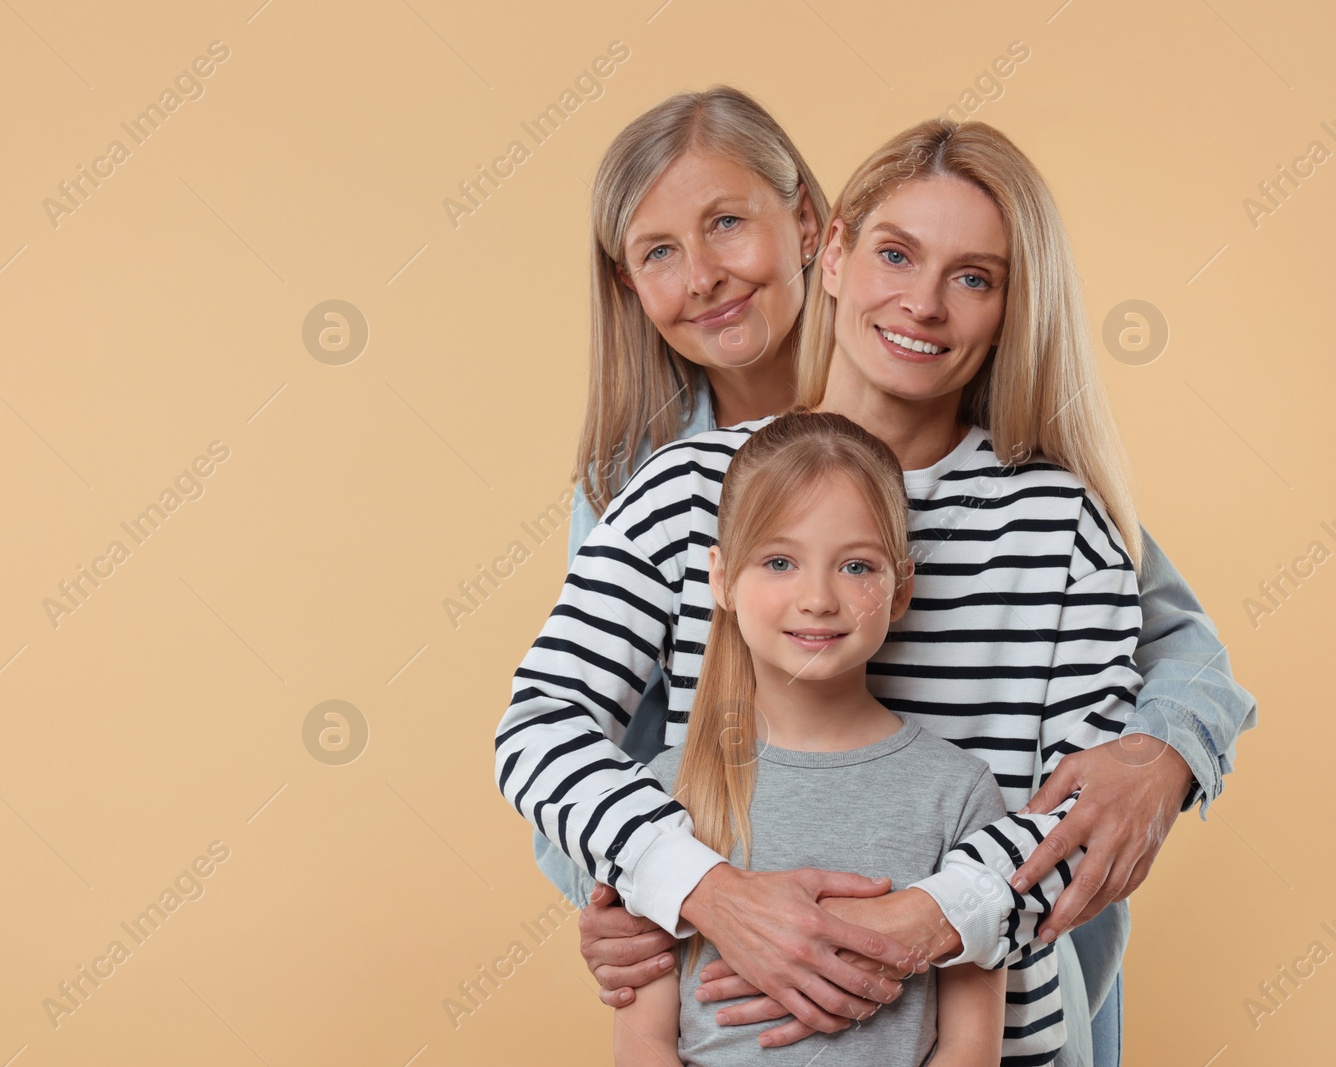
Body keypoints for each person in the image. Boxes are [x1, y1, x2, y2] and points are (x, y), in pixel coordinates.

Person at [499, 113, 1257, 1066]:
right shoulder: (686, 488)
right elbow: (542, 727)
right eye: (895, 254)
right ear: (834, 251)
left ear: (1012, 307)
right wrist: (693, 887)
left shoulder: (1065, 528)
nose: (925, 304)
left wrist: (919, 920)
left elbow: (1079, 810)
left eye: (974, 278)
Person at [612, 410, 1033, 1067]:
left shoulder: (959, 794)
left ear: (900, 589)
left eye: (856, 566)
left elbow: (971, 1046)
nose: (817, 597)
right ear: (721, 578)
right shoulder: (666, 795)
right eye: (780, 560)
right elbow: (642, 1043)